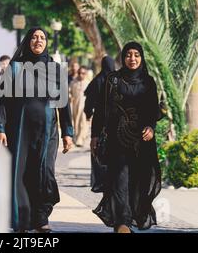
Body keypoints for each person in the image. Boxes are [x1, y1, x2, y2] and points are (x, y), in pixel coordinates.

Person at [0, 27, 74, 233]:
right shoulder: (16, 67)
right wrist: (0, 127)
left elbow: (64, 103)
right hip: (20, 131)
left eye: (42, 38)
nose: (39, 41)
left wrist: (68, 132)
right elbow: (2, 100)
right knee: (21, 174)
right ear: (28, 41)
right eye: (35, 37)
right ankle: (23, 219)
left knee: (45, 173)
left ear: (46, 43)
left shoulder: (55, 69)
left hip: (48, 131)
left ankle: (41, 215)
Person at [91, 42, 161, 233]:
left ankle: (128, 219)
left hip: (142, 143)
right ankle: (122, 222)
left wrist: (151, 127)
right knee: (119, 181)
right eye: (128, 55)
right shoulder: (113, 80)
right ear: (123, 57)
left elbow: (153, 110)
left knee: (138, 182)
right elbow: (100, 110)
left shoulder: (149, 82)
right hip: (117, 141)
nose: (132, 59)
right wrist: (95, 136)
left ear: (142, 57)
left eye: (136, 55)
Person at [84, 56, 116, 192]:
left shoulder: (97, 80)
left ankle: (97, 180)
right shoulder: (116, 79)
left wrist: (88, 113)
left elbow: (89, 100)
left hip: (99, 119)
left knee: (97, 148)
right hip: (114, 120)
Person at [69, 66, 91, 147]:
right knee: (76, 123)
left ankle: (80, 140)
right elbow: (69, 92)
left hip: (85, 106)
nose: (81, 75)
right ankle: (77, 138)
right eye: (79, 73)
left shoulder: (88, 83)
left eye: (83, 73)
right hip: (75, 106)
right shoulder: (73, 82)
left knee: (83, 123)